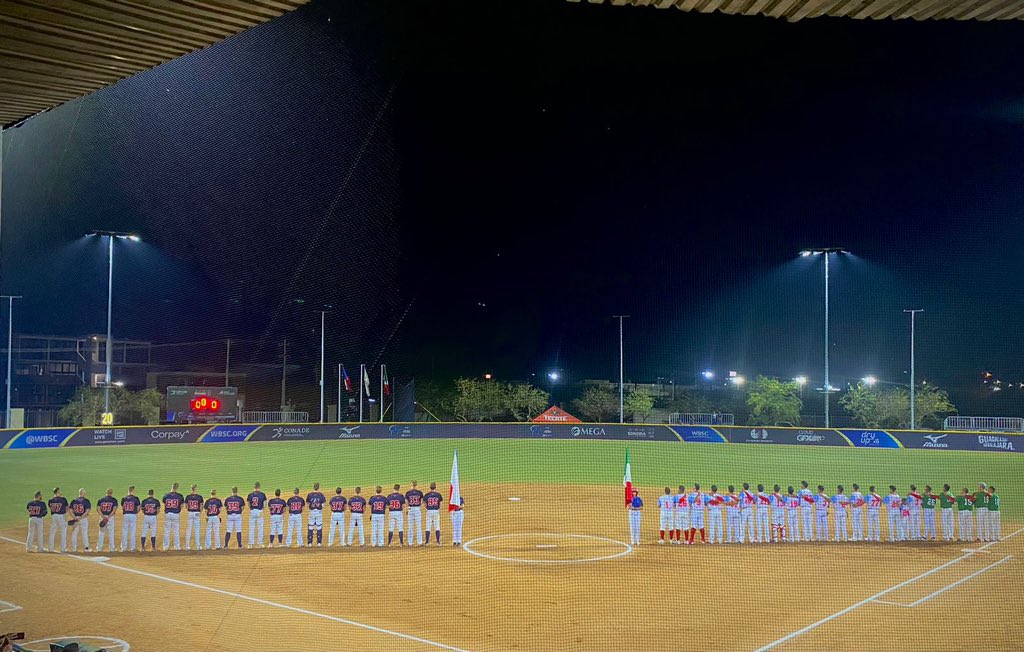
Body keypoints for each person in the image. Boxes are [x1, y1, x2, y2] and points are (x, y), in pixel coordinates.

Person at [161, 482, 184, 551]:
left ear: (172, 487)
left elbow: (164, 503)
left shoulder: (166, 495)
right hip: (176, 514)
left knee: (167, 530)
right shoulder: (180, 496)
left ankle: (165, 547)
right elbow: (182, 506)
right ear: (177, 488)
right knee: (176, 531)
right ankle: (177, 547)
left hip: (168, 514)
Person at [95, 489, 118, 553]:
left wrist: (103, 517)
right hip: (110, 518)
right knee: (111, 533)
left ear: (106, 492)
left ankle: (99, 548)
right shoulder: (114, 500)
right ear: (111, 493)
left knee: (101, 533)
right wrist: (108, 517)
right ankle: (112, 549)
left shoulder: (101, 500)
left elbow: (98, 509)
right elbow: (114, 510)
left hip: (102, 518)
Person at [69, 488, 92, 553]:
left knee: (74, 533)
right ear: (83, 493)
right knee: (84, 533)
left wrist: (75, 517)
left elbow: (70, 511)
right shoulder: (86, 501)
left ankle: (74, 549)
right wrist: (81, 518)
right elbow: (87, 511)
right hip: (83, 519)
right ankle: (86, 549)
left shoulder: (74, 501)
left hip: (75, 519)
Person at [47, 487, 69, 553]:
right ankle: (63, 549)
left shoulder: (50, 500)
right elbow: (67, 507)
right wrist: (65, 514)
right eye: (60, 491)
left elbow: (50, 507)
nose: (61, 492)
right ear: (57, 492)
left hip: (53, 516)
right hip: (61, 516)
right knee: (63, 532)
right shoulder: (63, 499)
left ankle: (50, 548)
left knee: (52, 532)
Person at [247, 482, 267, 549]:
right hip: (259, 511)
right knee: (260, 528)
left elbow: (248, 503)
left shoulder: (250, 495)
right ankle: (260, 543)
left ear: (254, 487)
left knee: (252, 528)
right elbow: (265, 503)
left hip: (252, 511)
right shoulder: (262, 494)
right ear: (259, 487)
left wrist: (251, 508)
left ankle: (250, 544)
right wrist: (262, 509)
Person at [120, 486, 141, 552]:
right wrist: (135, 512)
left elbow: (123, 507)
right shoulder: (136, 498)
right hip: (133, 515)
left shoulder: (123, 498)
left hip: (125, 515)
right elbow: (138, 508)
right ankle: (132, 548)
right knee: (132, 532)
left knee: (124, 531)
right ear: (133, 491)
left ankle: (123, 548)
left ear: (128, 491)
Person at [184, 484, 204, 551]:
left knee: (188, 530)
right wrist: (199, 512)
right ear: (196, 489)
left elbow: (186, 506)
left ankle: (187, 546)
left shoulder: (188, 497)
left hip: (190, 513)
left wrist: (189, 510)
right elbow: (201, 506)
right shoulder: (199, 497)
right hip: (196, 513)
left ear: (191, 489)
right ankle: (198, 546)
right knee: (197, 530)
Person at [306, 482, 326, 547]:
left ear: (313, 487)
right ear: (318, 487)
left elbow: (307, 504)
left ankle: (310, 543)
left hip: (311, 512)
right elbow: (323, 505)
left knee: (310, 527)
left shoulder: (309, 495)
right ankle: (319, 543)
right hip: (319, 512)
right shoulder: (321, 495)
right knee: (319, 527)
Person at [405, 481, 425, 546]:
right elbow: (422, 501)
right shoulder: (420, 492)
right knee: (418, 526)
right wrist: (418, 506)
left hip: (410, 509)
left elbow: (406, 502)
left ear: (411, 485)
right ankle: (420, 542)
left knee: (410, 526)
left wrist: (408, 508)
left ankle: (410, 543)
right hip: (417, 509)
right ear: (416, 486)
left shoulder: (408, 493)